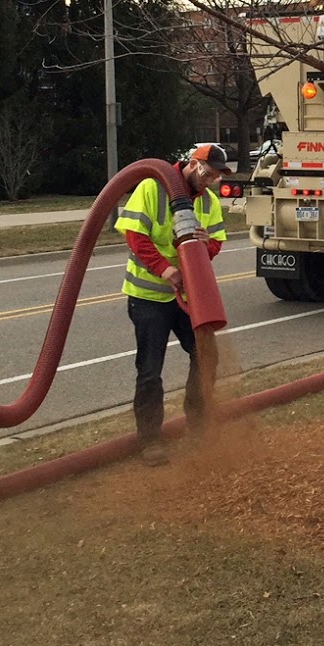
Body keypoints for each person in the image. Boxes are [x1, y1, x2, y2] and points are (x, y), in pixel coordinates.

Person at [115, 143, 230, 465]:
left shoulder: (208, 202)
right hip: (149, 297)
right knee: (150, 370)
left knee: (206, 355)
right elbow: (135, 238)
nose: (210, 181)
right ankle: (151, 441)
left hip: (187, 298)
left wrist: (205, 248)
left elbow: (217, 241)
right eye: (207, 173)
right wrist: (165, 270)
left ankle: (199, 424)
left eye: (216, 177)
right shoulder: (152, 188)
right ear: (193, 164)